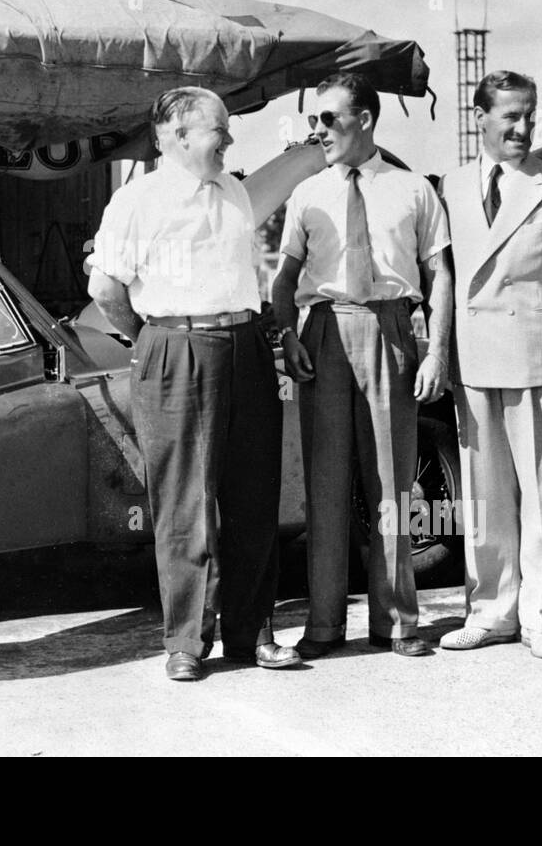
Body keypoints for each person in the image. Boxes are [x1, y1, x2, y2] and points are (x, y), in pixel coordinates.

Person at [88, 87, 300, 680]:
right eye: (218, 130)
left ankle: (250, 633)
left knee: (254, 496)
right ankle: (185, 641)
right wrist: (159, 339)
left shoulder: (233, 189)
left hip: (246, 346)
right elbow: (106, 291)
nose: (229, 140)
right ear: (178, 136)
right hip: (175, 347)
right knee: (185, 502)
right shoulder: (137, 201)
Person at [272, 71, 452, 659]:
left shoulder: (413, 190)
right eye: (314, 120)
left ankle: (397, 622)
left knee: (391, 482)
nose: (317, 130)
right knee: (325, 485)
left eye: (329, 119)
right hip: (324, 333)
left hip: (391, 328)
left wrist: (438, 351)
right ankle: (323, 625)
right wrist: (286, 334)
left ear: (365, 119)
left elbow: (440, 275)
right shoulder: (307, 193)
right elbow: (284, 280)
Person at [438, 71, 542, 659]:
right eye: (510, 116)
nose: (523, 127)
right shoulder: (451, 186)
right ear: (480, 117)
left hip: (538, 358)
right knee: (484, 498)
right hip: (474, 359)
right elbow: (445, 273)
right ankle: (491, 611)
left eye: (530, 114)